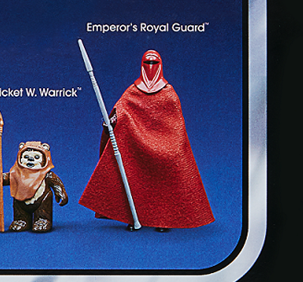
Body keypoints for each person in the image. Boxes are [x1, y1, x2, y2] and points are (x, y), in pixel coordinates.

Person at [79, 50, 214, 231]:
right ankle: (131, 215)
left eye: (154, 63)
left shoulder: (168, 93)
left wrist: (170, 147)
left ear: (160, 65)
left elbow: (176, 124)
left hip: (165, 147)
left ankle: (163, 220)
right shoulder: (133, 91)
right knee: (133, 178)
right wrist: (112, 121)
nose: (150, 67)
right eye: (147, 63)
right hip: (136, 145)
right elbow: (122, 110)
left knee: (164, 183)